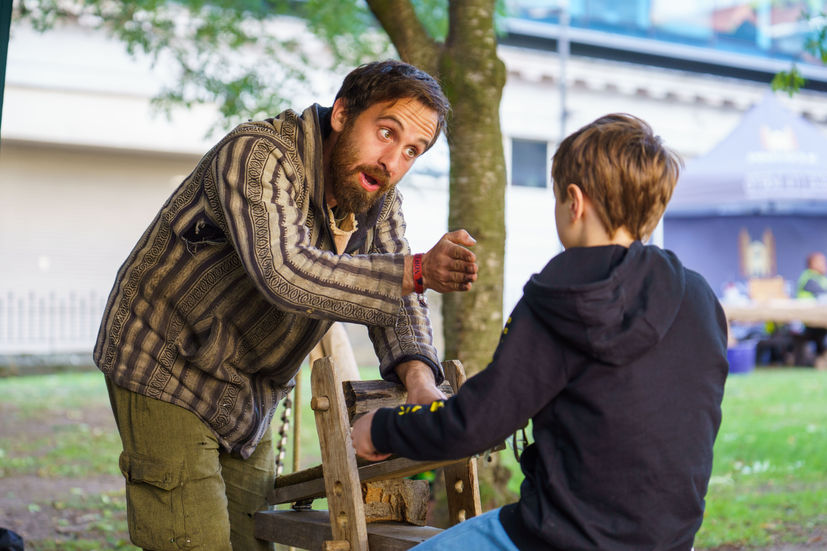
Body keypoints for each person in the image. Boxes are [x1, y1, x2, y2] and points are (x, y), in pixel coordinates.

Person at [94, 60, 479, 551]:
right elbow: (286, 272)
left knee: (255, 538)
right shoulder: (258, 155)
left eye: (411, 151)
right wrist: (418, 270)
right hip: (163, 361)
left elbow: (399, 302)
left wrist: (422, 385)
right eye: (386, 132)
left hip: (246, 392)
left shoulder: (378, 198)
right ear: (341, 114)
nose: (393, 162)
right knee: (194, 540)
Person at [352, 113, 729, 550]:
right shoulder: (699, 297)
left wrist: (380, 428)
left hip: (557, 538)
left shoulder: (561, 295)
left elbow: (476, 426)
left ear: (574, 201)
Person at [794, 252, 827, 365]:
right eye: (821, 262)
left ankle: (821, 358)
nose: (824, 264)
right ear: (811, 264)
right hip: (806, 322)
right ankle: (820, 358)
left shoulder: (821, 278)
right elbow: (820, 292)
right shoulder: (808, 277)